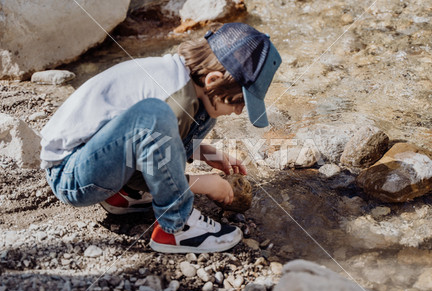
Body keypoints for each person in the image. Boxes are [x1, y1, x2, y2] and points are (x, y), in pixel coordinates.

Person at [40, 23, 281, 253]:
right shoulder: (174, 96)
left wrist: (205, 151)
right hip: (69, 174)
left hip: (96, 157)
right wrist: (202, 183)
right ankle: (176, 227)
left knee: (206, 112)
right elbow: (146, 150)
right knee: (156, 115)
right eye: (240, 102)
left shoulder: (185, 80)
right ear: (213, 79)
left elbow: (148, 142)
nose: (239, 111)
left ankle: (123, 195)